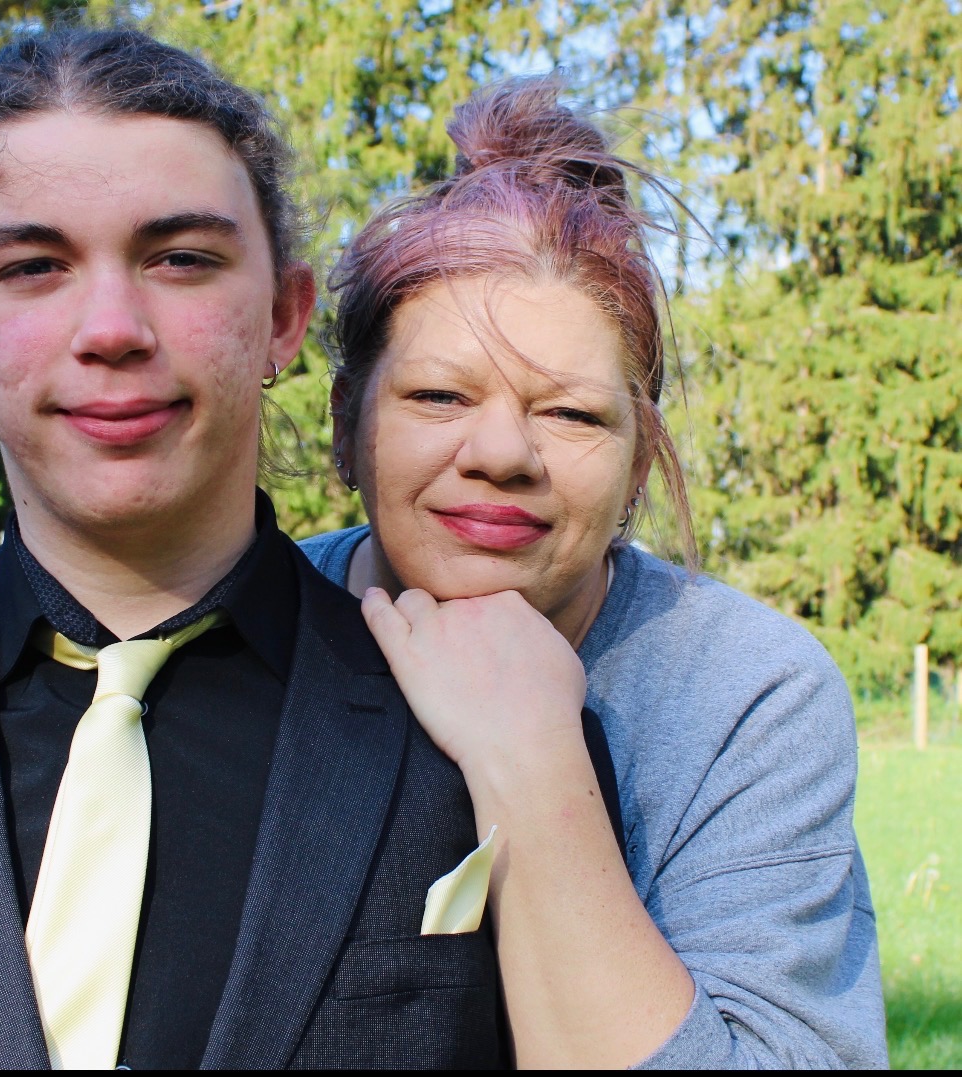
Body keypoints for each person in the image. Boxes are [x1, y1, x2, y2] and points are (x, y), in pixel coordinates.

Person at [0, 27, 634, 1070]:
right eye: (34, 266)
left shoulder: (503, 738)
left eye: (180, 259)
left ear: (285, 314)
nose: (113, 328)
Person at [299, 79, 888, 1067]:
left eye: (571, 413)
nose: (501, 454)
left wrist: (534, 759)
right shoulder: (249, 625)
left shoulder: (746, 694)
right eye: (440, 396)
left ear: (641, 462)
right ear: (345, 426)